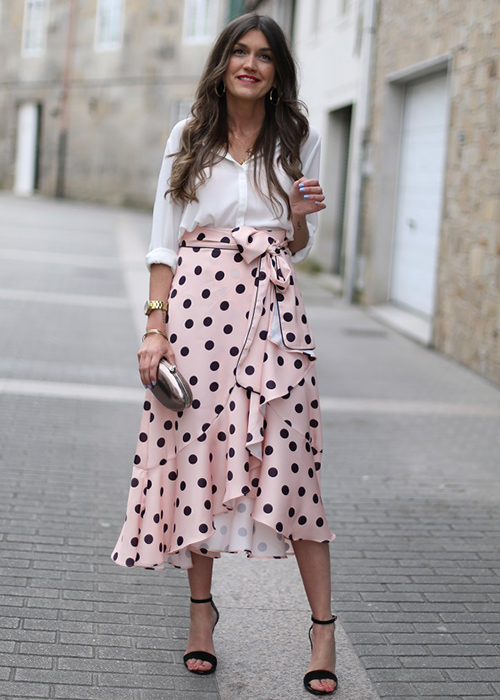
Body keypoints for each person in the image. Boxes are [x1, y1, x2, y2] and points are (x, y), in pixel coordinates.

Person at [112, 13, 337, 696]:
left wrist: (299, 218)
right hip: (198, 312)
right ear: (222, 61)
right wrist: (155, 329)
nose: (250, 63)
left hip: (273, 315)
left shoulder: (302, 137)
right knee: (199, 462)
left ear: (277, 71)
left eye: (264, 55)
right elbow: (163, 241)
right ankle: (201, 619)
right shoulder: (189, 136)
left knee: (293, 462)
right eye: (239, 51)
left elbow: (301, 246)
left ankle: (322, 628)